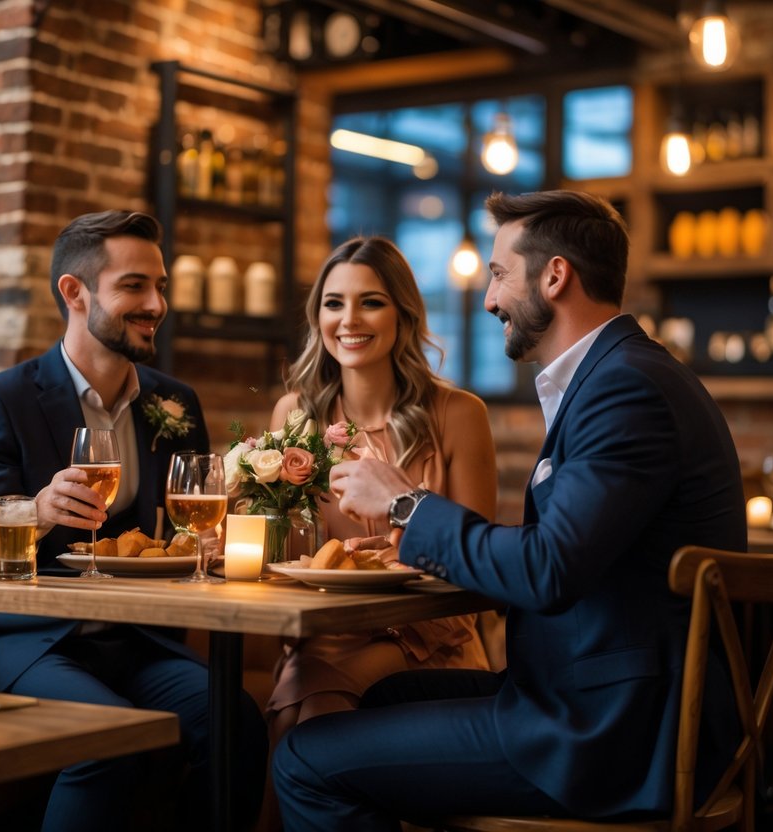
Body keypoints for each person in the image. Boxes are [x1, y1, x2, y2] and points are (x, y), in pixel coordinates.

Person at [271, 190, 745, 830]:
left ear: (555, 277)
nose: (489, 298)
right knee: (382, 698)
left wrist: (406, 504)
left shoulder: (625, 389)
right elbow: (558, 554)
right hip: (593, 697)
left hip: (611, 734)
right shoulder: (620, 376)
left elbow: (548, 569)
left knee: (304, 759)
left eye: (498, 274)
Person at [0, 209, 267, 832]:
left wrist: (207, 541)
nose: (156, 303)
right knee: (110, 739)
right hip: (26, 641)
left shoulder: (173, 400)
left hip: (139, 639)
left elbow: (187, 535)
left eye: (160, 286)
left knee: (235, 720)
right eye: (133, 286)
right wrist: (34, 513)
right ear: (74, 293)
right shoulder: (1, 400)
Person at [265, 236, 502, 741]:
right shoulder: (294, 417)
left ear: (404, 316)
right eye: (334, 303)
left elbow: (476, 565)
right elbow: (285, 552)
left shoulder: (459, 415)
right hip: (326, 635)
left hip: (432, 638)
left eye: (370, 302)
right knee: (294, 712)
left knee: (313, 714)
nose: (349, 320)